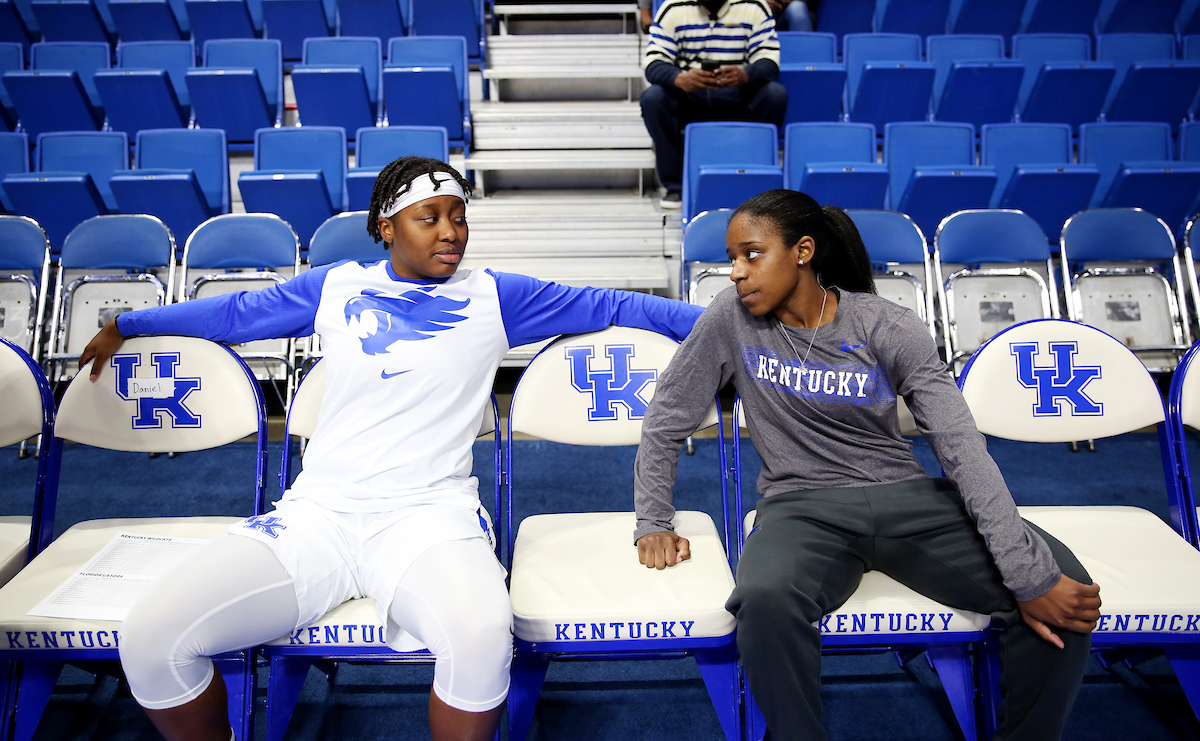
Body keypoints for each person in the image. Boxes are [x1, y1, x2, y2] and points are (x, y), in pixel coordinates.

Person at [80, 156, 704, 741]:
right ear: (386, 227)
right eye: (428, 218)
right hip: (316, 517)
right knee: (151, 637)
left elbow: (616, 305)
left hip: (429, 519)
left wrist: (735, 321)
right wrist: (129, 324)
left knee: (483, 637)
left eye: (458, 216)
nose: (450, 232)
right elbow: (236, 315)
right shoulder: (335, 286)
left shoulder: (495, 296)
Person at [632, 189, 1102, 740]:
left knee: (1063, 590)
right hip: (801, 508)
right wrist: (653, 521)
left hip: (907, 500)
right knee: (763, 602)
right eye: (731, 258)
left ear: (802, 251)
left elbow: (960, 446)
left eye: (751, 254)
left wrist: (1028, 576)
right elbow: (666, 417)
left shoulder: (887, 325)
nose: (735, 272)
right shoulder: (729, 321)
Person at [640, 0, 788, 209]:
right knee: (653, 98)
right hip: (688, 95)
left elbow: (769, 60)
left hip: (738, 92)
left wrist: (745, 75)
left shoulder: (755, 6)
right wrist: (679, 78)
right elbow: (654, 62)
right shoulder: (673, 7)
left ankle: (753, 175)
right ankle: (675, 186)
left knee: (775, 94)